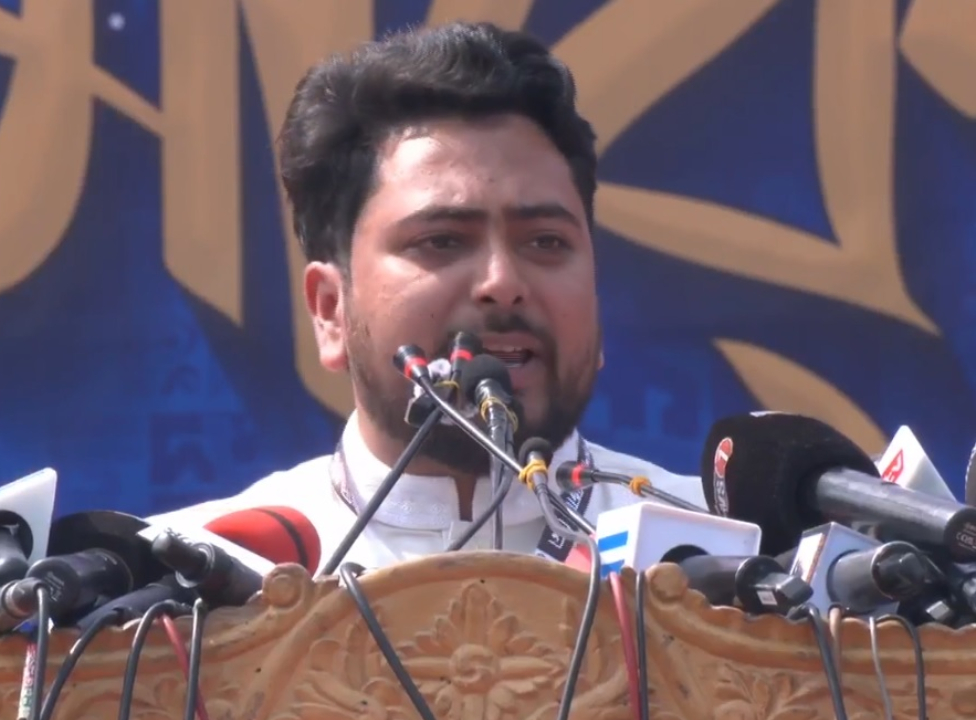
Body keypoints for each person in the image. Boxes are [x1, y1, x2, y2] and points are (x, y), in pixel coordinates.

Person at [147, 21, 707, 570]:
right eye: (441, 241)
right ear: (330, 310)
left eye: (545, 241)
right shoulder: (193, 581)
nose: (502, 283)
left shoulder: (726, 562)